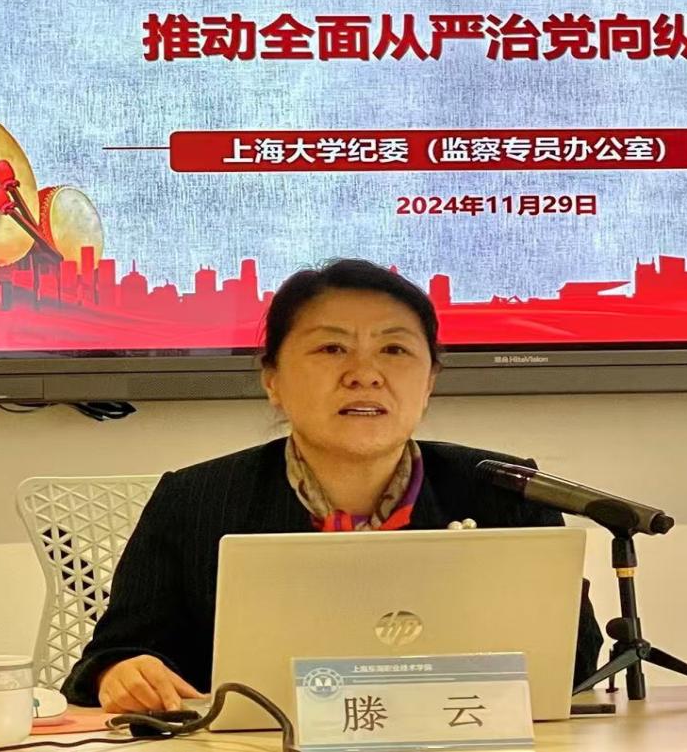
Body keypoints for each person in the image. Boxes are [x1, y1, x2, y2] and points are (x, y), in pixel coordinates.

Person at [60, 258, 603, 712]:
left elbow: (574, 665)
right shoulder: (194, 500)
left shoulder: (505, 490)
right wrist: (121, 673)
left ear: (429, 382)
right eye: (332, 349)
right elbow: (108, 660)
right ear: (272, 379)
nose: (364, 373)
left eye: (395, 350)